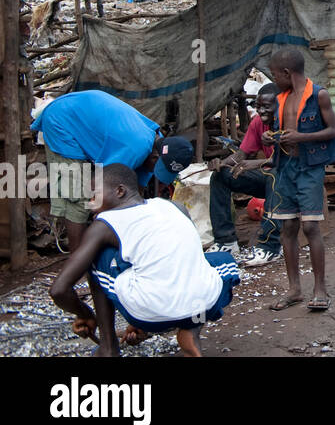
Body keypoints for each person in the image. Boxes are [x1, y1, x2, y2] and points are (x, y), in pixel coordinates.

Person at [48, 162, 240, 357]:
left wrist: (85, 314)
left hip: (150, 313)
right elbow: (177, 263)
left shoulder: (104, 224)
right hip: (203, 305)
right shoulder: (174, 206)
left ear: (120, 191)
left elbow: (59, 290)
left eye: (94, 195)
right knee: (221, 260)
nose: (90, 203)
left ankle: (108, 347)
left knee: (95, 256)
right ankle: (191, 330)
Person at [31, 90, 184, 250]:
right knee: (79, 196)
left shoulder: (155, 142)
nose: (156, 174)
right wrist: (105, 217)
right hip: (62, 120)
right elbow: (99, 185)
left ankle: (89, 246)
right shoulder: (134, 148)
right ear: (155, 157)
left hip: (82, 109)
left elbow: (135, 192)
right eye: (158, 170)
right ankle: (78, 259)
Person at [264, 47, 335, 312]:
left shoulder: (319, 95)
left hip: (309, 167)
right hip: (285, 166)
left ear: (286, 72)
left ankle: (320, 289)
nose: (273, 79)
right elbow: (280, 129)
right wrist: (271, 137)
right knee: (287, 227)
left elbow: (334, 130)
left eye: (274, 74)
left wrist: (301, 138)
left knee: (310, 227)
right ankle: (294, 290)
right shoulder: (280, 98)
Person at [208, 84, 281, 267]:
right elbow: (241, 154)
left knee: (275, 175)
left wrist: (255, 164)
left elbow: (286, 162)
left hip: (293, 183)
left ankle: (271, 247)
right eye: (258, 106)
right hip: (270, 177)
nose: (261, 111)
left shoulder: (291, 124)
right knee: (221, 176)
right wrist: (223, 163)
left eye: (267, 107)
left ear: (281, 105)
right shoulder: (258, 122)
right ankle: (226, 241)